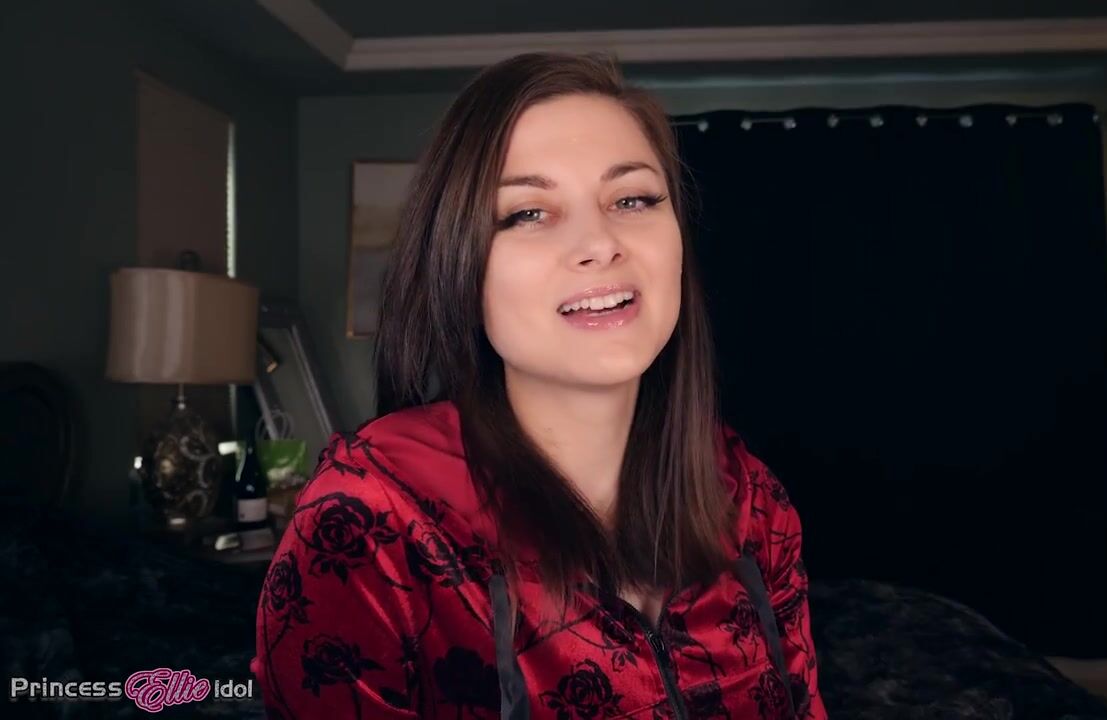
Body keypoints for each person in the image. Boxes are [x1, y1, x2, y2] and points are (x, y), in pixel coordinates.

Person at [252, 51, 826, 719]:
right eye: (527, 213)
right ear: (460, 270)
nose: (600, 243)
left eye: (632, 199)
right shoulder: (369, 522)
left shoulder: (750, 499)